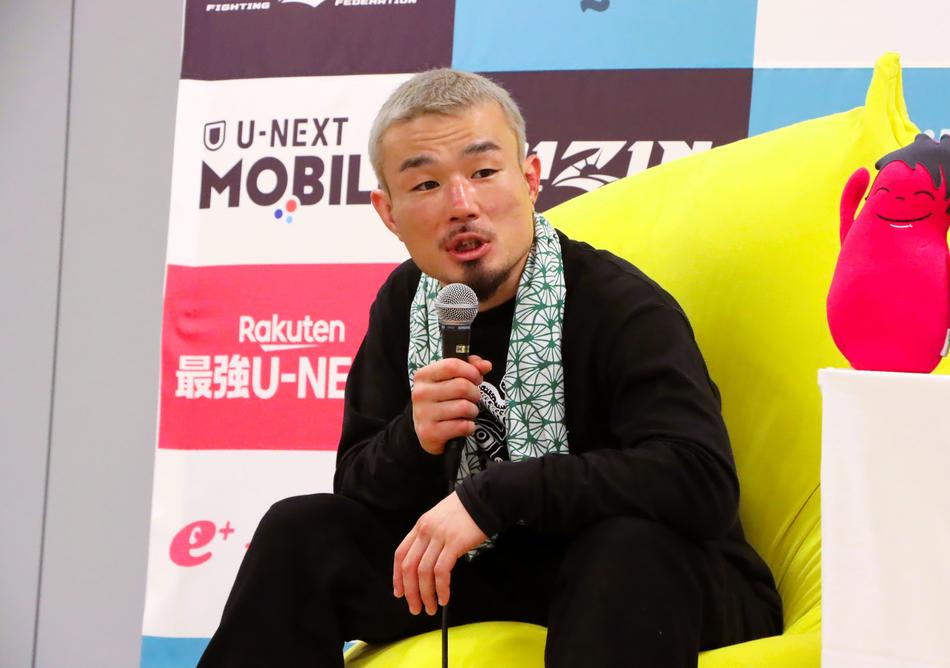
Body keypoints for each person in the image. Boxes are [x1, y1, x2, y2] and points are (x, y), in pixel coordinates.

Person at [198, 69, 782, 668]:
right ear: (388, 212)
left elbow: (698, 480)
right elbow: (357, 487)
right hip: (494, 571)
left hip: (656, 580)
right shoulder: (405, 303)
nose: (462, 205)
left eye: (483, 172)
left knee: (625, 546)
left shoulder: (617, 303)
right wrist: (413, 439)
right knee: (301, 531)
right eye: (426, 184)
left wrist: (497, 495)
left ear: (530, 179)